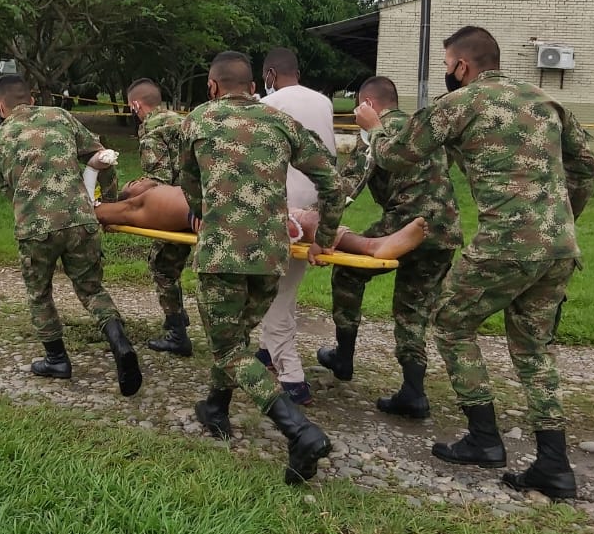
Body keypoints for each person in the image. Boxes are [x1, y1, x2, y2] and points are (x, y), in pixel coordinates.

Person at [356, 26, 594, 500]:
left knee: (450, 322)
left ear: (461, 67)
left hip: (506, 244)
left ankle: (485, 438)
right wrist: (561, 218)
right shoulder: (543, 100)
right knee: (533, 348)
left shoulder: (460, 104)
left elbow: (397, 156)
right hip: (558, 247)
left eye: (447, 66)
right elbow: (587, 165)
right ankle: (553, 462)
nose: (448, 73)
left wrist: (374, 127)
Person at [181, 51, 345, 485]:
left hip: (221, 256)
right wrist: (325, 237)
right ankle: (215, 408)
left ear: (213, 86)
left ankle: (299, 431)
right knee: (234, 338)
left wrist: (200, 211)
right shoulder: (280, 122)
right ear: (255, 86)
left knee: (229, 350)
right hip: (271, 256)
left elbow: (188, 182)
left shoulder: (197, 120)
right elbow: (332, 180)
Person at [0, 75, 143, 397]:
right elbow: (103, 158)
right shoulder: (60, 116)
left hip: (35, 228)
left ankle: (57, 359)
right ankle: (119, 342)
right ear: (30, 99)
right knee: (90, 288)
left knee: (40, 293)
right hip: (80, 220)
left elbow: (5, 189)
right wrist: (109, 202)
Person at [319, 76, 462, 421]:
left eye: (357, 107)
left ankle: (344, 356)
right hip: (444, 230)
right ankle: (413, 392)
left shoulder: (376, 134)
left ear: (368, 105)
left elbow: (347, 189)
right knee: (413, 309)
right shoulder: (420, 130)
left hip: (404, 222)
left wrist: (323, 229)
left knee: (347, 270)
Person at [253, 47, 338, 405]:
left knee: (274, 294)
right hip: (317, 207)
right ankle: (266, 352)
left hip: (281, 210)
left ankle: (292, 377)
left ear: (270, 74)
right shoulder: (324, 102)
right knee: (285, 289)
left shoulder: (268, 106)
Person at [94, 184, 426, 260]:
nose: (139, 179)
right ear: (130, 194)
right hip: (222, 214)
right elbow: (101, 211)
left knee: (306, 221)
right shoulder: (143, 202)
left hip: (231, 205)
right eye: (133, 182)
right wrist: (102, 207)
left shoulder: (159, 193)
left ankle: (371, 245)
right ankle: (371, 245)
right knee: (303, 220)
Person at [122, 78, 194, 357]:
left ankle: (177, 334)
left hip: (176, 208)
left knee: (161, 265)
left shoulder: (152, 130)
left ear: (136, 105)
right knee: (171, 265)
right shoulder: (182, 121)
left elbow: (158, 181)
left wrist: (130, 191)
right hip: (198, 204)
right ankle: (176, 317)